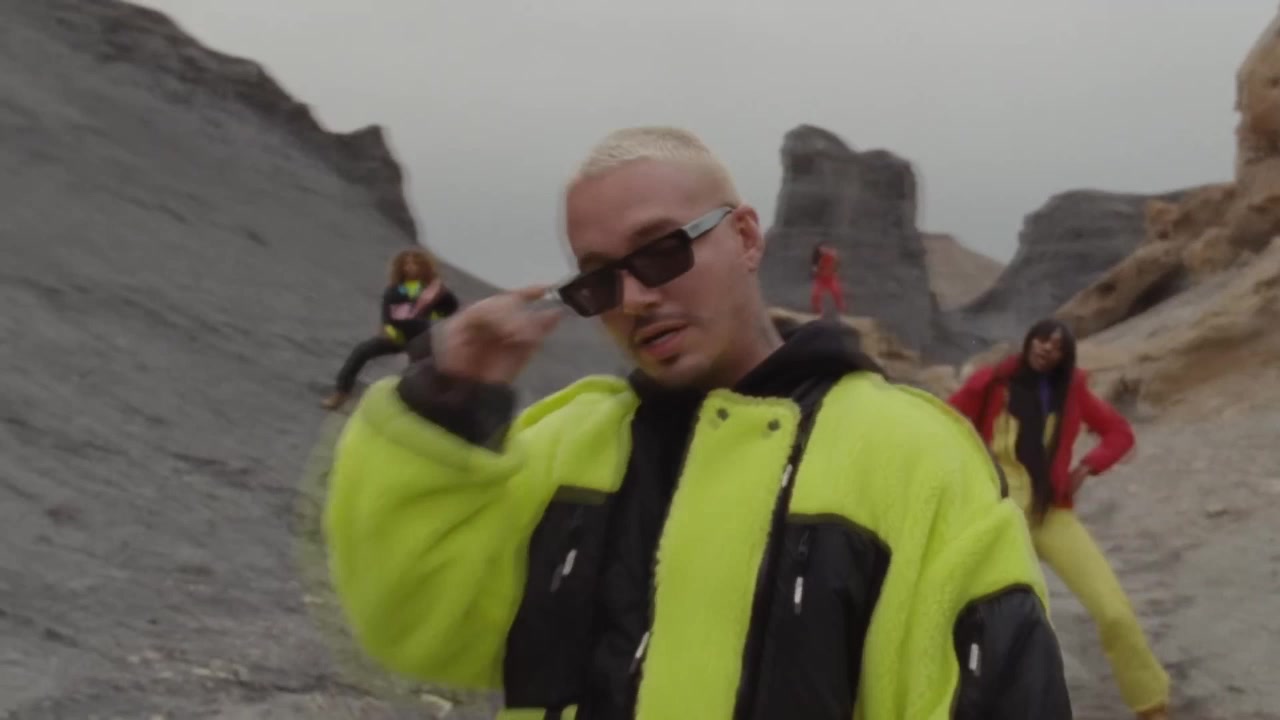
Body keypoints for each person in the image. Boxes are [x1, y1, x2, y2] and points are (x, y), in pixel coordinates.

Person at [322, 127, 1071, 719]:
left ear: (745, 238)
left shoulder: (912, 457)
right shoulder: (566, 449)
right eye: (598, 279)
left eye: (660, 252)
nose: (633, 299)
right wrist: (445, 406)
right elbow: (412, 619)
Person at [948, 319, 1171, 720]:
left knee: (1114, 611)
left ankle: (1151, 703)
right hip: (995, 515)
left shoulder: (1071, 391)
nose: (1046, 349)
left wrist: (1087, 466)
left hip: (1050, 514)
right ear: (1029, 340)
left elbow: (1119, 433)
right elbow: (944, 422)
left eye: (1056, 346)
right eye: (1041, 340)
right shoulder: (990, 383)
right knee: (968, 612)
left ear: (1064, 356)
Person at [321, 248, 458, 410]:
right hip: (396, 335)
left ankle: (418, 408)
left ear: (424, 267)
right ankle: (341, 394)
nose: (410, 267)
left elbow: (451, 307)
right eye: (407, 263)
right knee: (361, 351)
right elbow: (387, 314)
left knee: (422, 373)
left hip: (419, 338)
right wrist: (389, 330)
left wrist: (430, 312)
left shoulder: (433, 289)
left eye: (416, 263)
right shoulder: (396, 289)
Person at [809, 241, 845, 314]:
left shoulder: (832, 255)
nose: (823, 250)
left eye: (824, 248)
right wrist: (816, 270)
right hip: (821, 279)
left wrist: (834, 270)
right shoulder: (817, 257)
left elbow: (836, 263)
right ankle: (816, 309)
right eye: (821, 249)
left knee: (837, 293)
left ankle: (841, 308)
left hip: (830, 278)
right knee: (816, 294)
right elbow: (815, 268)